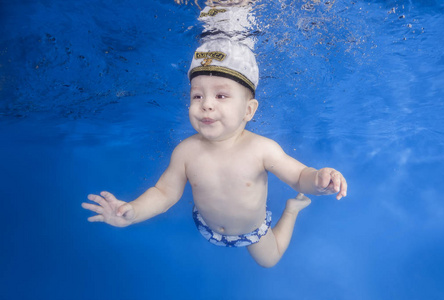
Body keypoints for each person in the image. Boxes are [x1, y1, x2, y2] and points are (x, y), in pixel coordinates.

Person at [82, 37, 347, 268]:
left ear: (249, 110)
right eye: (197, 96)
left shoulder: (262, 149)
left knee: (269, 260)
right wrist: (133, 212)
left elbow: (299, 176)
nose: (206, 105)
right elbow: (164, 194)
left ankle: (292, 210)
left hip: (252, 230)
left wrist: (320, 180)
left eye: (221, 96)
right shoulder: (186, 152)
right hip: (206, 226)